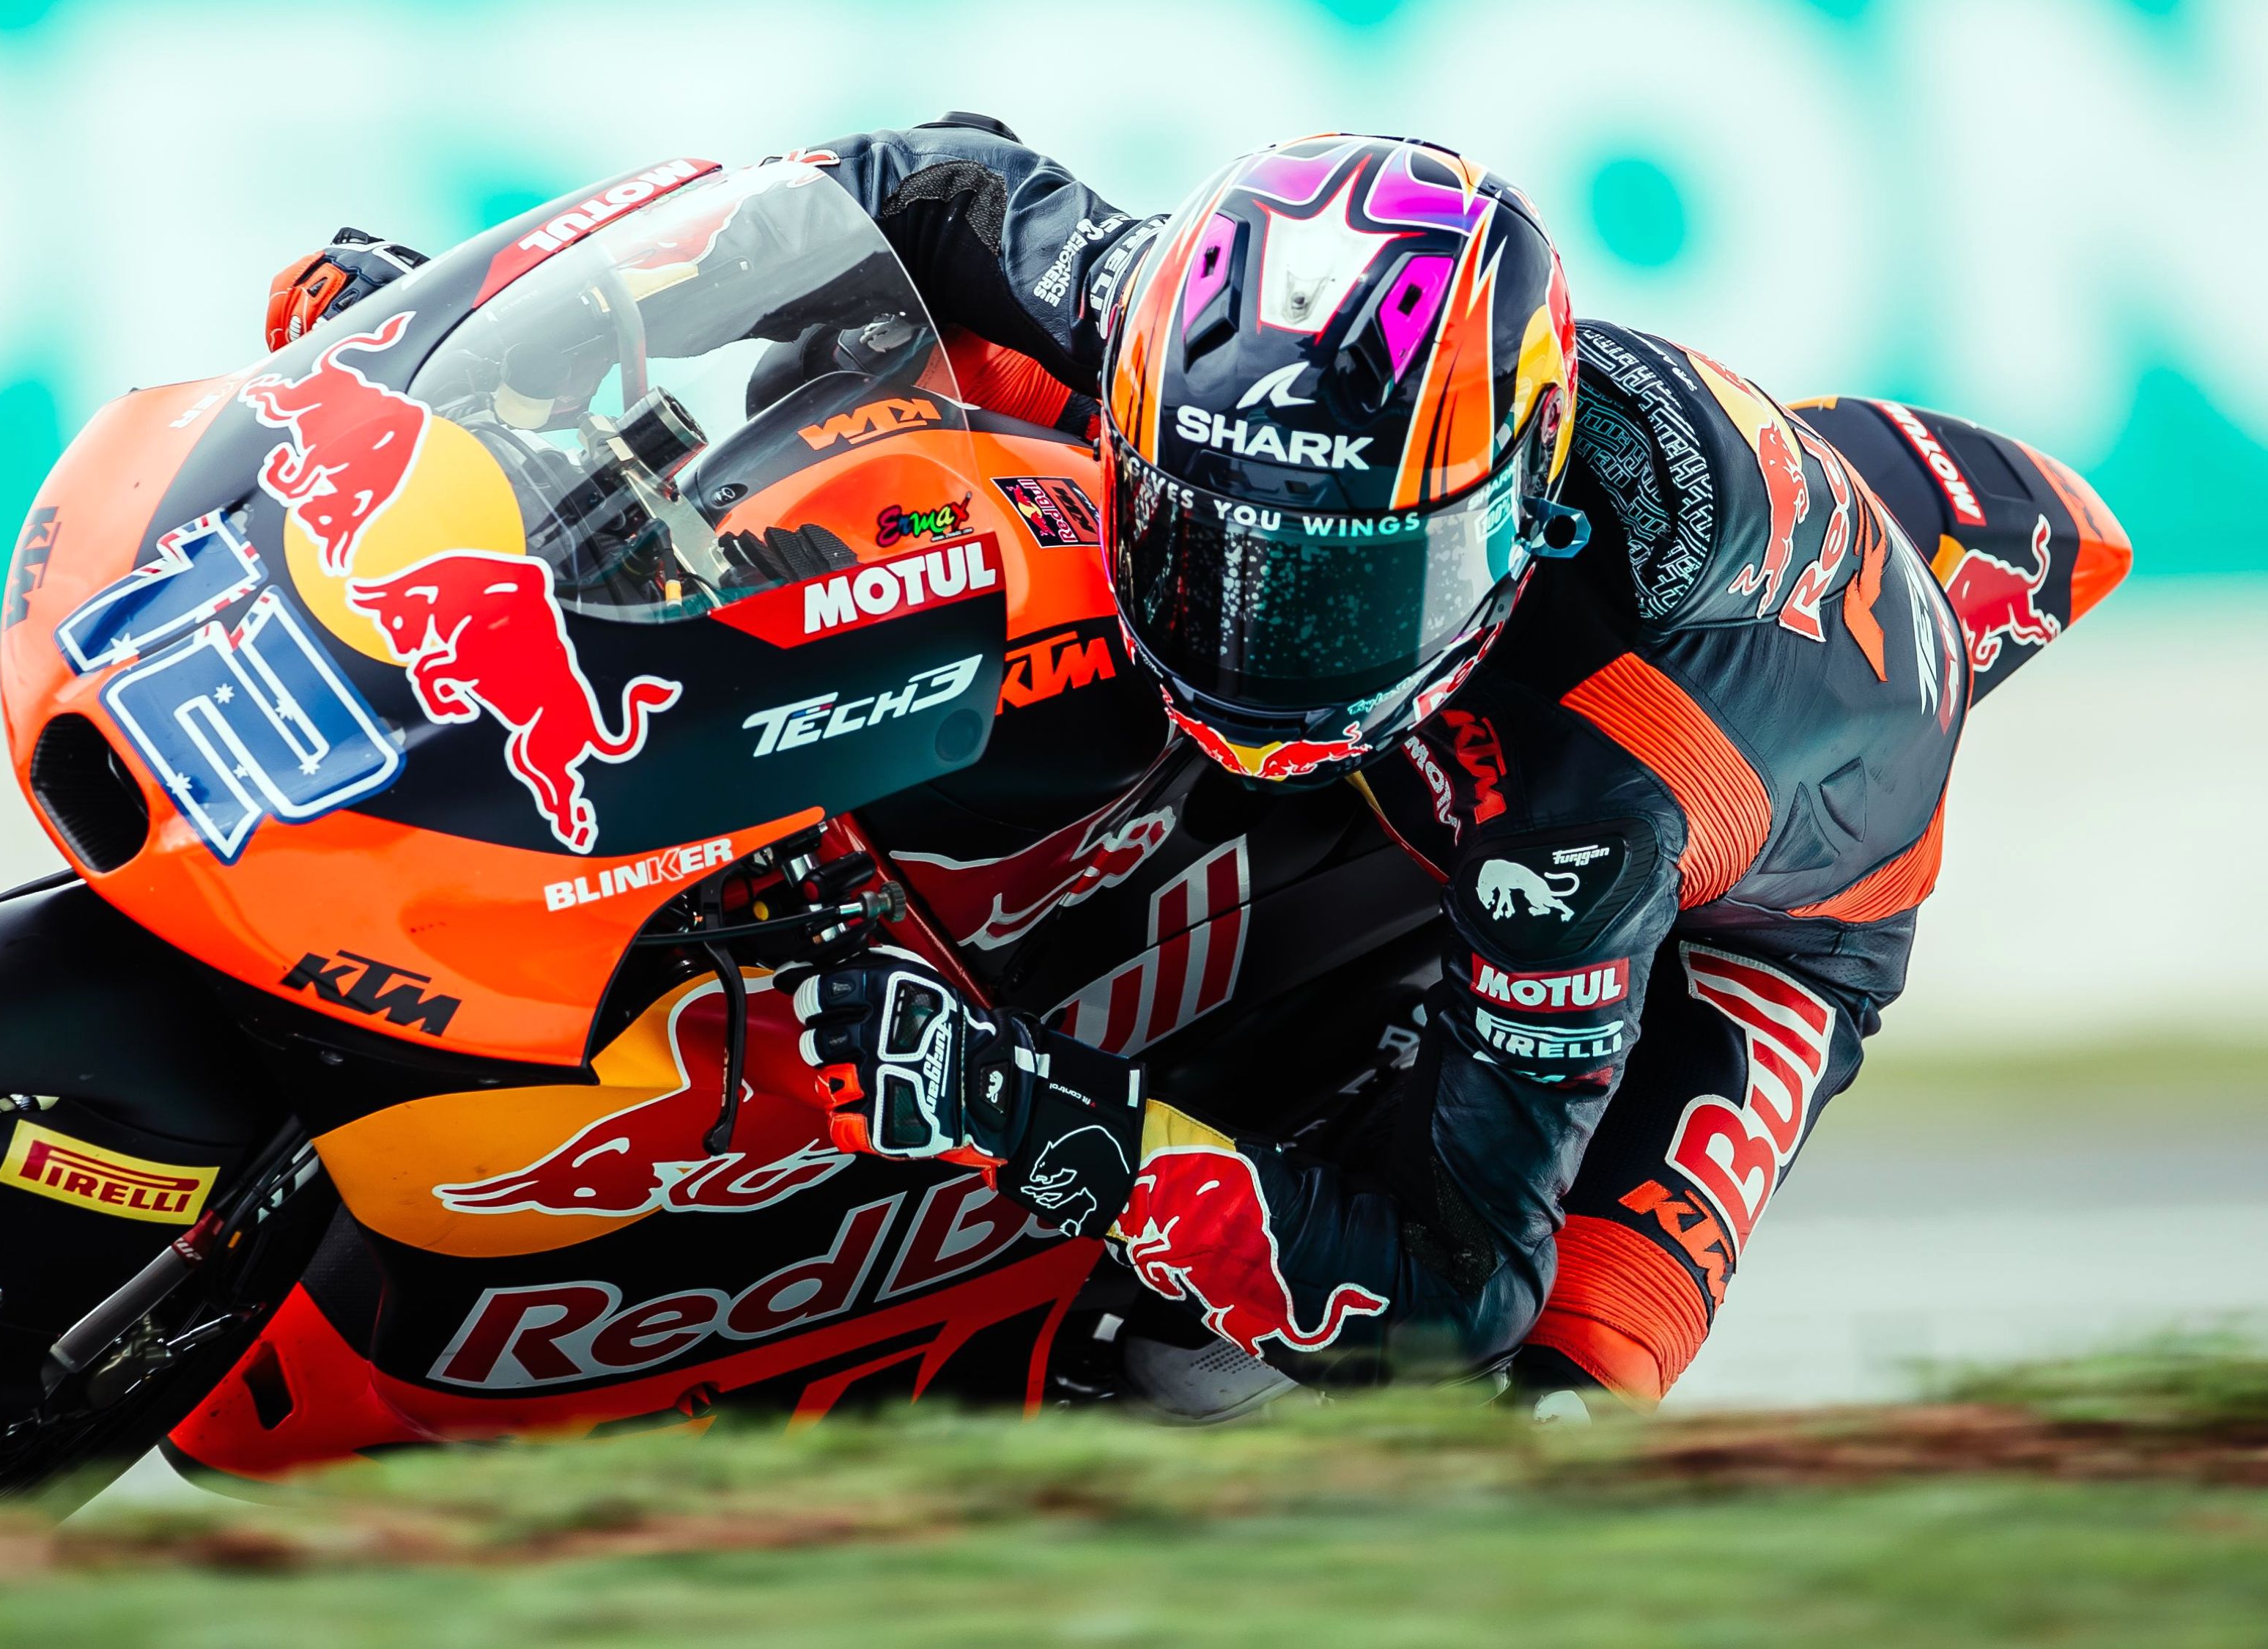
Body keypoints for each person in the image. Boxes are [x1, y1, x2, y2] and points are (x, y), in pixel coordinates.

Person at [261, 116, 2128, 1416]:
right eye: (1207, 540)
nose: (1255, 638)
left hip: (1748, 901)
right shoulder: (1155, 311)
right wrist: (501, 362)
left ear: (1512, 521)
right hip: (1465, 705)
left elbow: (1441, 1283)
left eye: (1342, 589)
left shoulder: (1595, 798)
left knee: (1524, 1400)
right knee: (901, 431)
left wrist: (1021, 1109)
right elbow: (899, 185)